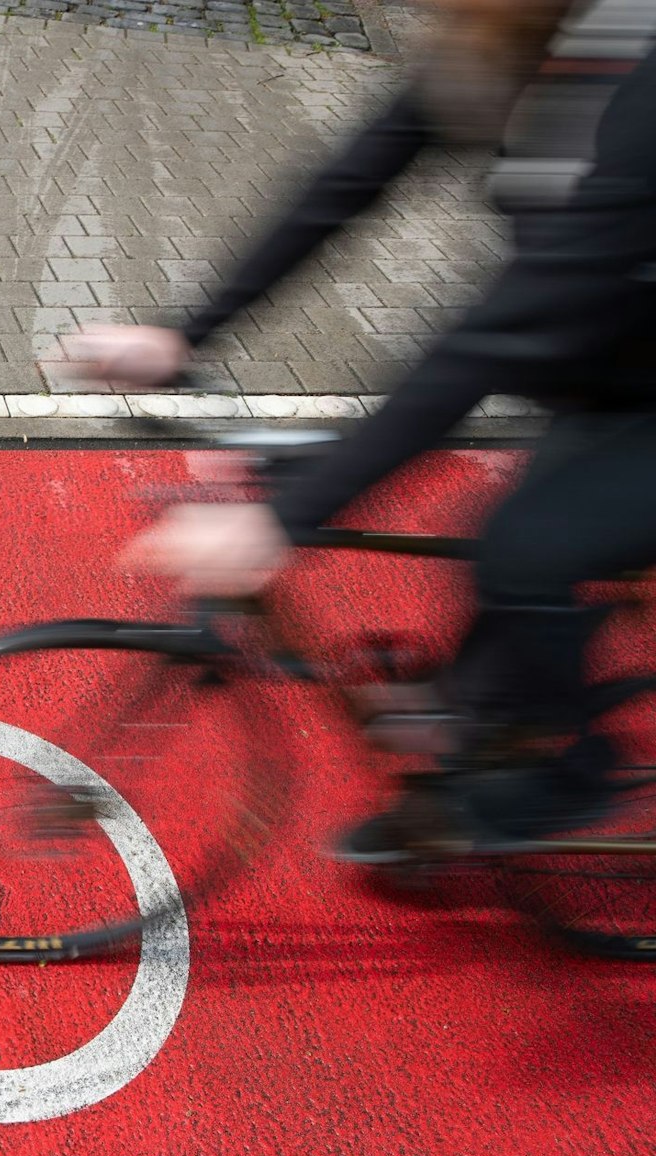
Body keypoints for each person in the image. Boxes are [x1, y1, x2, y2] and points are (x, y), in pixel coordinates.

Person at [106, 33, 656, 860]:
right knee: (480, 572)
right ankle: (455, 787)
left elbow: (495, 336)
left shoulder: (635, 81)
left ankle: (575, 769)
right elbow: (349, 183)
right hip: (610, 376)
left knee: (523, 548)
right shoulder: (505, 47)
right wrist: (185, 334)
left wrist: (281, 522)